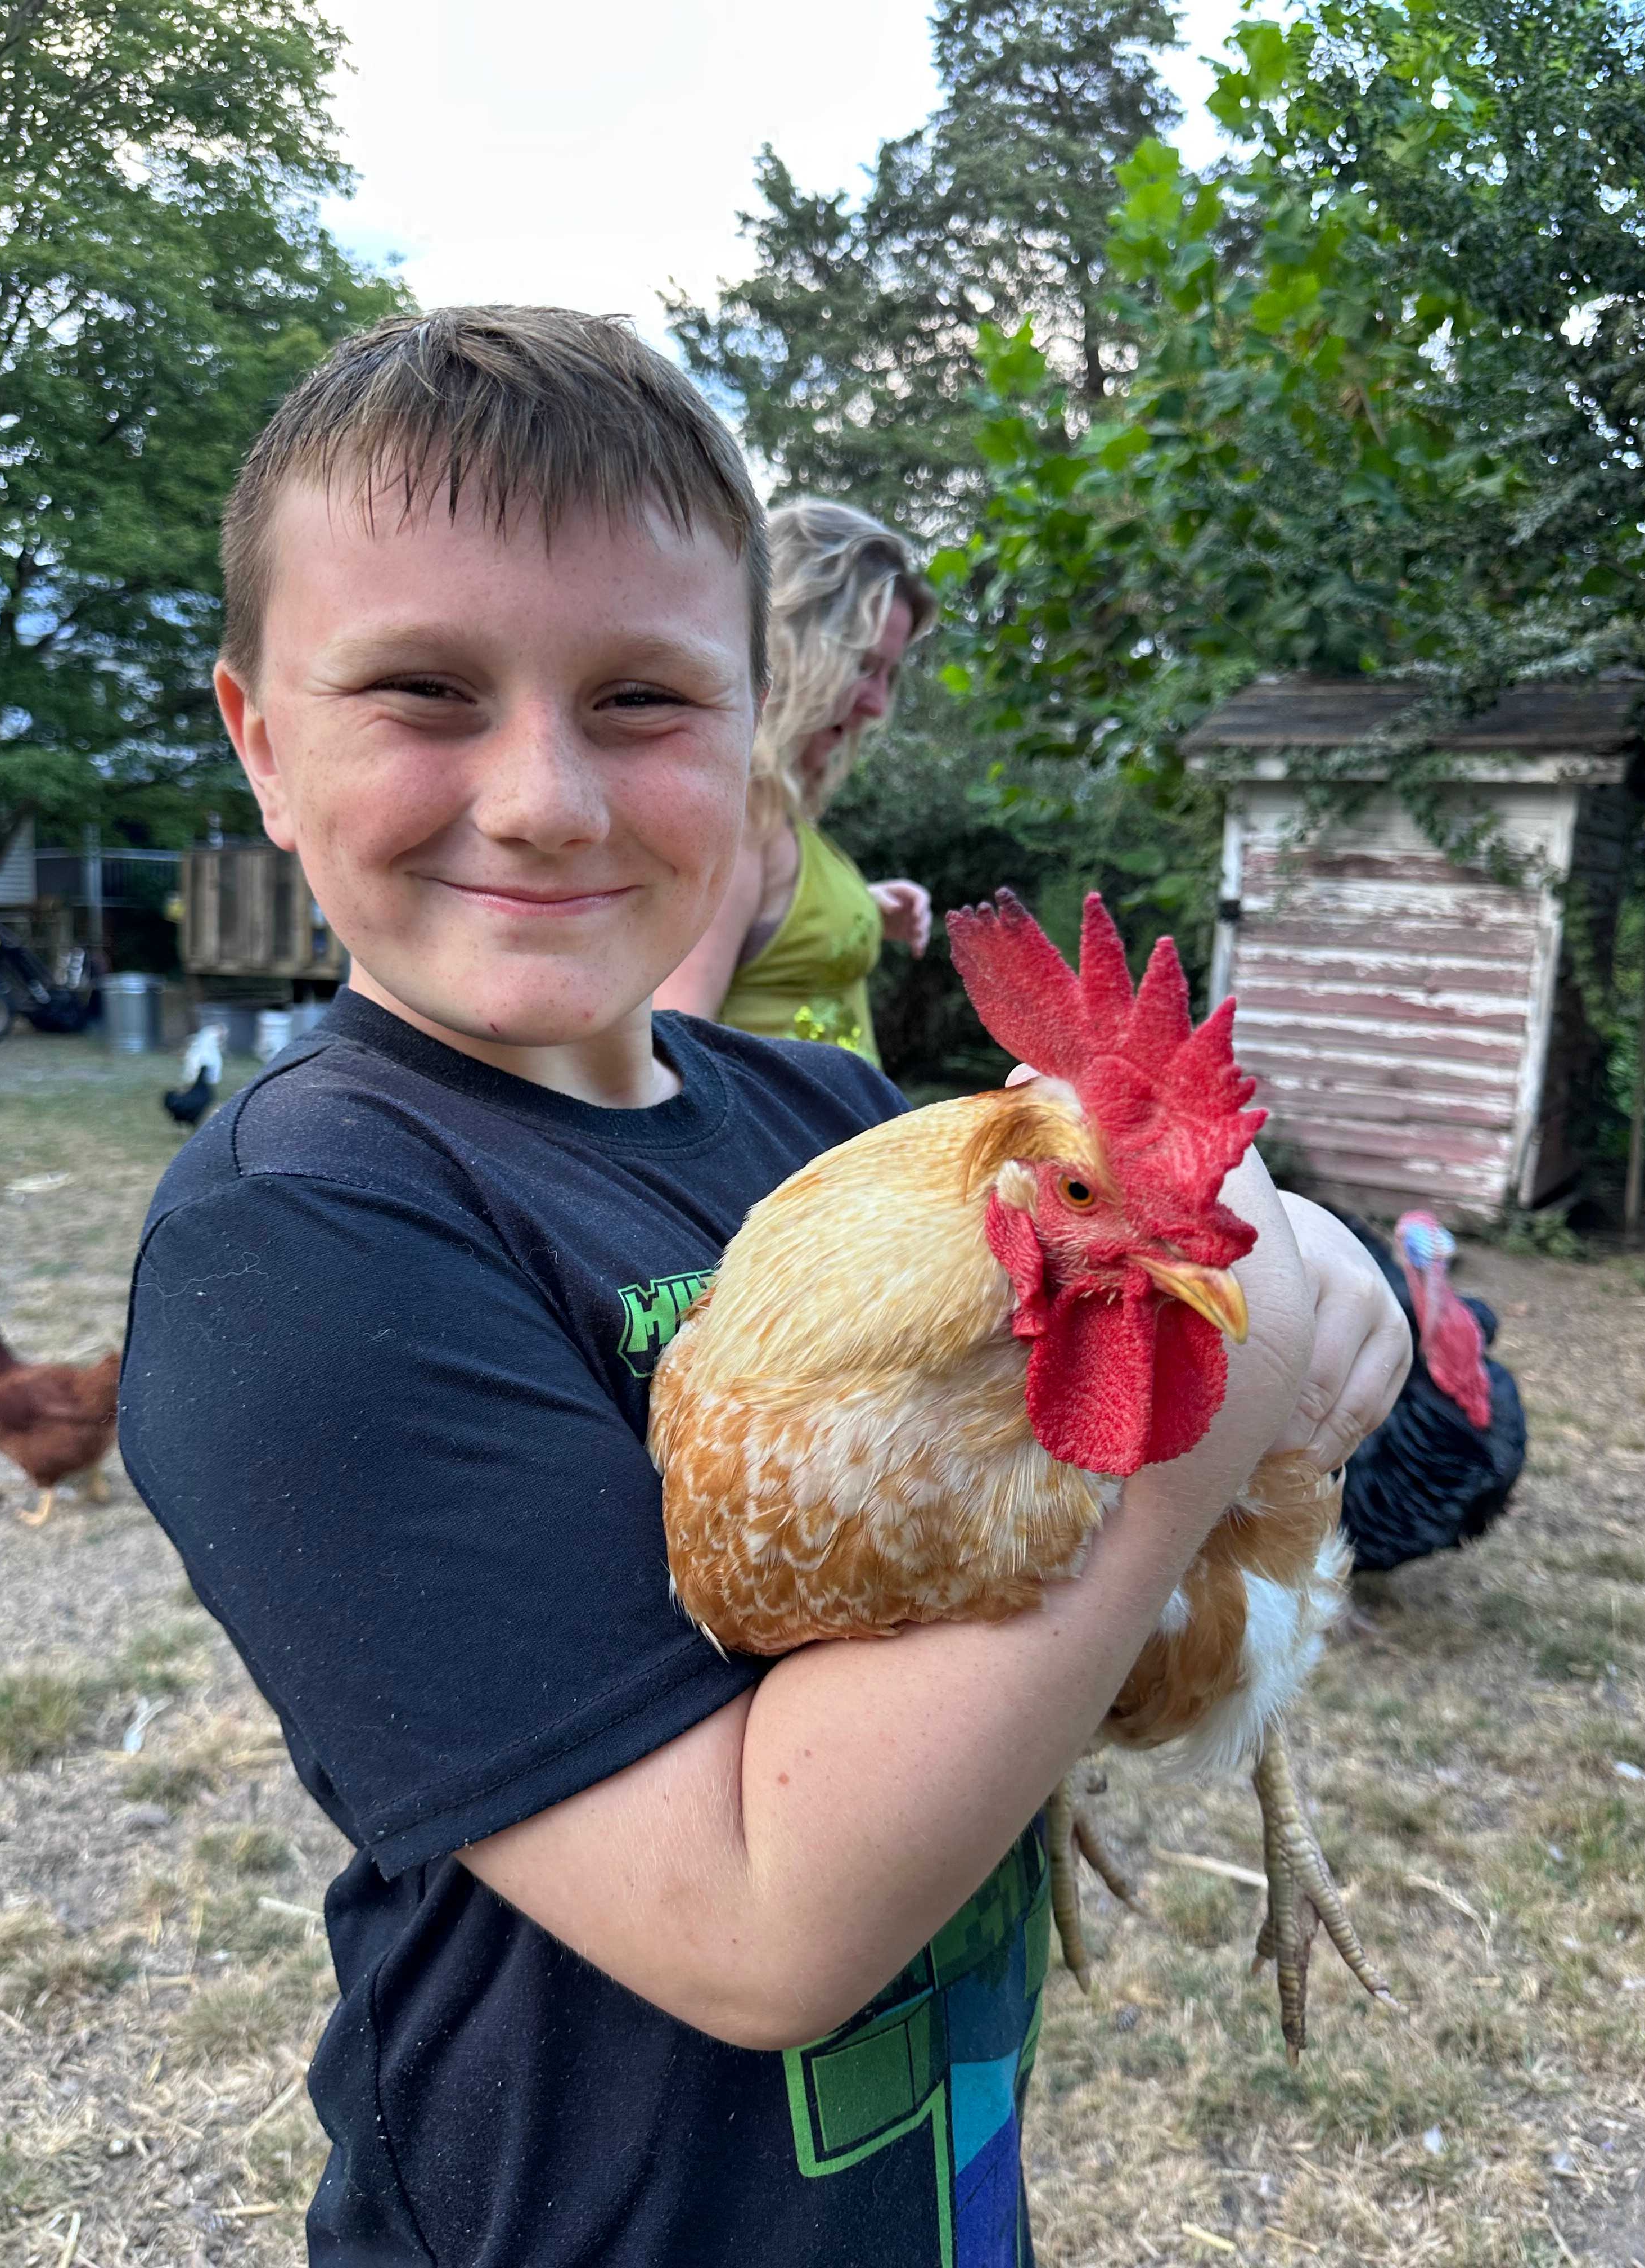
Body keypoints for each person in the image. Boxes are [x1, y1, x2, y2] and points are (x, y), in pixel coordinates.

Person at [117, 306, 1410, 2268]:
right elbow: (757, 1917)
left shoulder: (810, 1111)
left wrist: (1289, 1256)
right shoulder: (302, 1240)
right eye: (424, 692)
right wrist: (1256, 1351)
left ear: (752, 729)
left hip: (923, 2169)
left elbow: (1143, 1255)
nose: (545, 793)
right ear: (263, 745)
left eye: (641, 699)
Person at [654, 498, 936, 1063]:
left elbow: (769, 940)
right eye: (862, 667)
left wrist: (860, 906)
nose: (878, 704)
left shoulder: (774, 813)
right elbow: (672, 1053)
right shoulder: (742, 817)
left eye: (888, 675)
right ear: (787, 647)